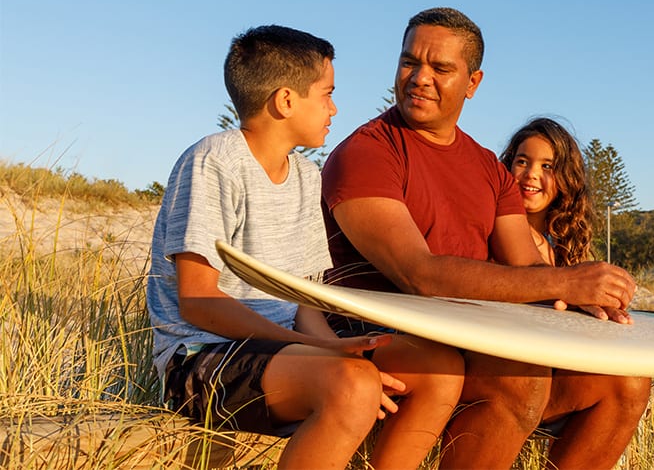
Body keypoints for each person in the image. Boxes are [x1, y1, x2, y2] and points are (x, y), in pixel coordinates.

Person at [321, 7, 643, 469]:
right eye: (410, 62)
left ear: (473, 83)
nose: (419, 78)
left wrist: (583, 299)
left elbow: (525, 269)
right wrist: (563, 283)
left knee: (625, 382)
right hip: (383, 334)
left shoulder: (488, 168)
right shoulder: (368, 152)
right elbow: (417, 274)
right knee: (521, 378)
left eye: (441, 68)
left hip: (474, 335)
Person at [146, 24, 462, 470]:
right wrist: (322, 353)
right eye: (327, 93)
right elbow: (199, 302)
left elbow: (304, 303)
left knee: (438, 369)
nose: (334, 108)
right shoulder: (214, 160)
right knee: (351, 385)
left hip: (287, 352)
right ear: (286, 100)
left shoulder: (306, 177)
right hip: (203, 358)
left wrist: (334, 346)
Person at [499, 116, 652, 467]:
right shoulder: (493, 229)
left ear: (566, 179)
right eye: (522, 161)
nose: (531, 174)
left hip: (551, 374)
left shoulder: (561, 245)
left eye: (548, 166)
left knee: (632, 381)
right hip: (504, 377)